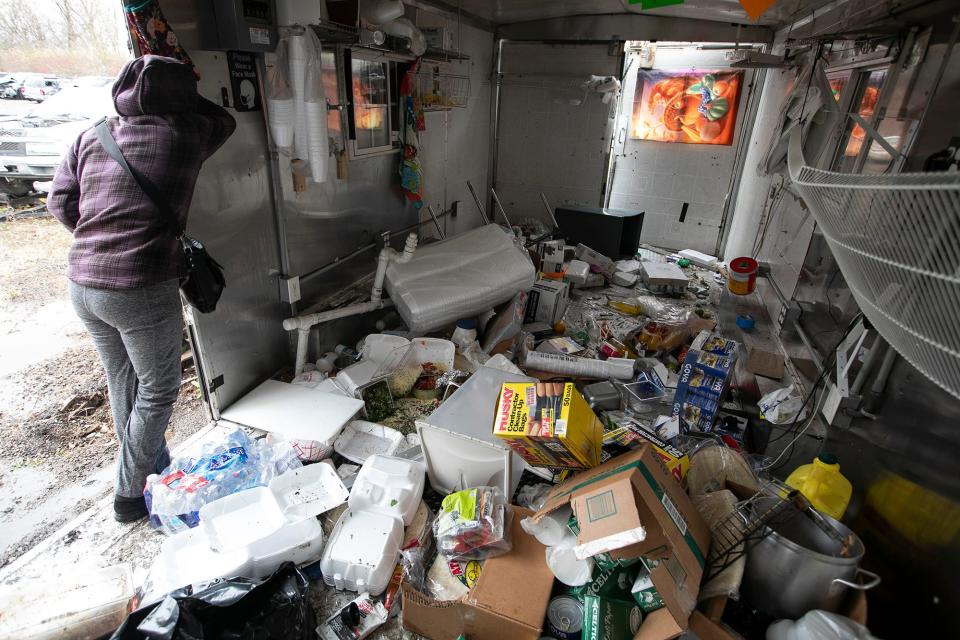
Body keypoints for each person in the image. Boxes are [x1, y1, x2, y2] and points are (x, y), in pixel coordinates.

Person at [48, 56, 236, 522]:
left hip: (84, 283)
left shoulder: (90, 135)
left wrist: (101, 240)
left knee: (123, 380)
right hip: (141, 287)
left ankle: (154, 470)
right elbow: (225, 119)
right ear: (183, 98)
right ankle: (130, 497)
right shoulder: (185, 136)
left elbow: (58, 202)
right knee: (158, 390)